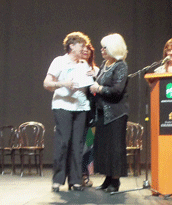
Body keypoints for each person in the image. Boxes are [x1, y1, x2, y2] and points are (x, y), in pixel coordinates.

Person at [44, 31, 92, 192]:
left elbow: (89, 83)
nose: (83, 49)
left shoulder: (84, 64)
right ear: (71, 45)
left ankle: (75, 180)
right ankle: (57, 180)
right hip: (63, 105)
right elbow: (47, 83)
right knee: (63, 142)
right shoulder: (59, 61)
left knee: (78, 144)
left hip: (80, 106)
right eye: (81, 46)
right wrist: (63, 83)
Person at [90, 33, 129, 193]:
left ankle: (115, 181)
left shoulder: (121, 66)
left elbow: (117, 90)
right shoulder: (104, 64)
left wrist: (99, 88)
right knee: (104, 147)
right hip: (102, 113)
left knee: (114, 148)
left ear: (113, 48)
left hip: (116, 113)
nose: (101, 50)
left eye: (104, 47)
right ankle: (107, 179)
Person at [80, 43, 99, 187]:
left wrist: (96, 76)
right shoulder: (73, 68)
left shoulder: (96, 70)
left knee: (88, 145)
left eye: (88, 51)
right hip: (76, 112)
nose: (85, 52)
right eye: (83, 50)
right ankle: (77, 175)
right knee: (76, 145)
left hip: (91, 115)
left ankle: (85, 174)